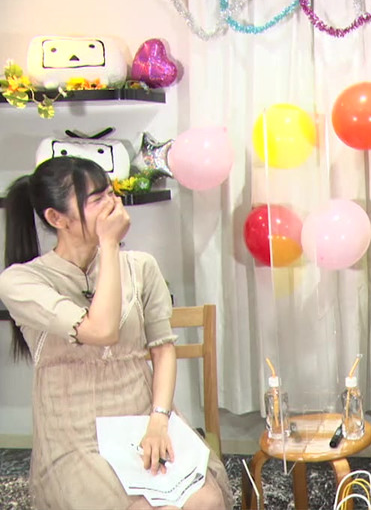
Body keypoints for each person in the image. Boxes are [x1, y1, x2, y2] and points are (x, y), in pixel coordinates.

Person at [0, 156, 232, 509]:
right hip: (76, 435)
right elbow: (101, 330)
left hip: (142, 418)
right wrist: (109, 246)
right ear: (57, 218)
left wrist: (158, 420)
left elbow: (163, 349)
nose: (113, 205)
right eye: (97, 199)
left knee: (206, 501)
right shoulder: (21, 281)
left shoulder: (141, 266)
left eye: (111, 193)